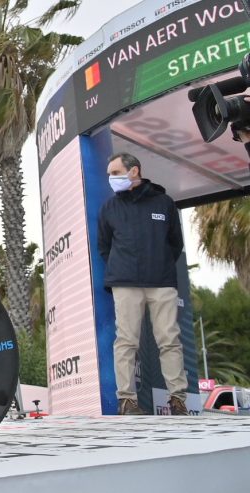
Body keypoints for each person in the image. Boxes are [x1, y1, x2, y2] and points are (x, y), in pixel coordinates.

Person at [97, 152, 188, 416]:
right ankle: (127, 401)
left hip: (161, 282)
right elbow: (104, 247)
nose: (111, 179)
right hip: (125, 283)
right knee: (126, 341)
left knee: (169, 340)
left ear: (134, 171)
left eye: (115, 173)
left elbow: (175, 243)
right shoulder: (109, 208)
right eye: (109, 175)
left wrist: (159, 263)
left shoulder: (164, 203)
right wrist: (122, 266)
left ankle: (178, 400)